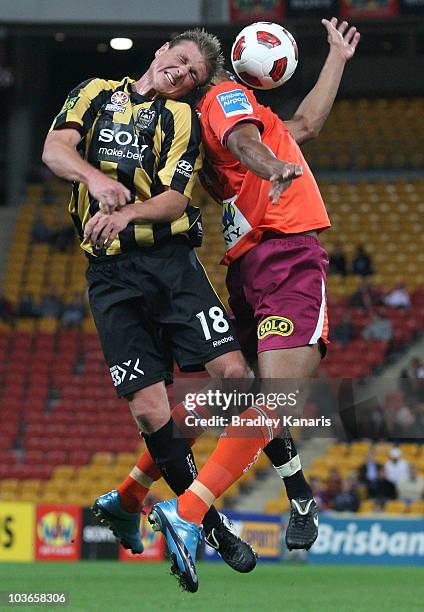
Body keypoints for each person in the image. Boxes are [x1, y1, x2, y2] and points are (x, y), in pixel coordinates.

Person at [43, 29, 274, 581]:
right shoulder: (95, 91)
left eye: (195, 75)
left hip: (170, 266)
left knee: (237, 377)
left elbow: (174, 199)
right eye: (183, 61)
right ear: (162, 51)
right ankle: (208, 527)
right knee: (148, 410)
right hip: (109, 276)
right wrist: (96, 181)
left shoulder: (183, 121)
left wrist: (126, 214)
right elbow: (55, 149)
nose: (183, 74)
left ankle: (137, 502)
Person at [146, 17, 361, 589]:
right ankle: (188, 513)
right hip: (286, 252)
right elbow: (252, 144)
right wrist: (277, 169)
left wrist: (336, 57)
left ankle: (132, 493)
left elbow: (306, 124)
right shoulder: (228, 97)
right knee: (281, 400)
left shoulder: (208, 121)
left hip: (247, 267)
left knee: (233, 394)